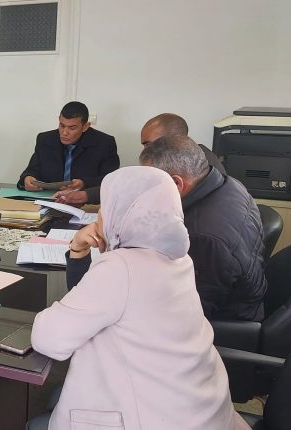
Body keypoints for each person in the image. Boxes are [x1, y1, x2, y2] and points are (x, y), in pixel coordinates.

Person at [27, 166, 249, 430]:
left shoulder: (121, 268)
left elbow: (49, 339)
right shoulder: (178, 258)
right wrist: (78, 250)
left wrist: (98, 250)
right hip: (197, 411)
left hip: (148, 417)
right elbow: (93, 303)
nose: (101, 215)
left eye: (105, 207)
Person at [140, 135, 266, 321]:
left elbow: (191, 310)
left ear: (176, 183)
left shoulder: (202, 236)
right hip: (240, 297)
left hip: (224, 323)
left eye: (150, 184)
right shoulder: (228, 184)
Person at [18, 101, 119, 205]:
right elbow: (32, 170)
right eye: (62, 126)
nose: (64, 133)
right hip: (50, 201)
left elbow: (111, 181)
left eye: (72, 128)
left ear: (85, 126)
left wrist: (84, 183)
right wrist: (27, 178)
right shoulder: (45, 139)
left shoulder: (104, 143)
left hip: (84, 204)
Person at [141, 113, 226, 173]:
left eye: (149, 145)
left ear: (174, 139)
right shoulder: (180, 159)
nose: (145, 152)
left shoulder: (198, 166)